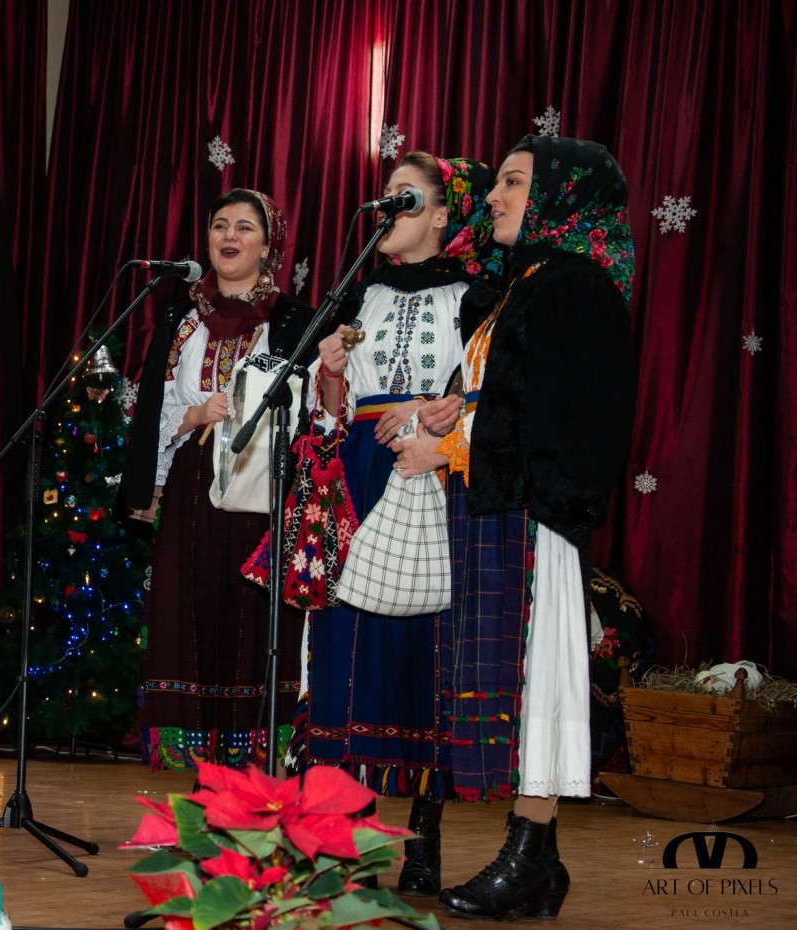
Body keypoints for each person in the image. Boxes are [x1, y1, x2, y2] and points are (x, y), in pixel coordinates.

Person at [394, 136, 636, 920]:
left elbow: (564, 421)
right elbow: (508, 396)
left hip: (537, 520)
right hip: (496, 510)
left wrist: (452, 449)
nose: (494, 197)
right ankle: (539, 860)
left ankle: (529, 853)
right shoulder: (522, 285)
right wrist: (453, 411)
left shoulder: (575, 287)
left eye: (514, 183)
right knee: (515, 685)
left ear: (562, 196)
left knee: (539, 682)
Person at [300, 153, 503, 897]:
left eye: (407, 196)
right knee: (346, 650)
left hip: (432, 471)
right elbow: (333, 410)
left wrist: (440, 416)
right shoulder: (362, 294)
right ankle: (337, 835)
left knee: (427, 650)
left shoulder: (476, 298)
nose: (390, 205)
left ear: (444, 214)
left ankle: (423, 834)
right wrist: (328, 372)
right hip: (360, 471)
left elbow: (494, 394)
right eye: (387, 194)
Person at [123, 188, 316, 772]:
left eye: (244, 227)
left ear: (269, 245)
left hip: (263, 485)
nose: (229, 236)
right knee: (190, 614)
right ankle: (200, 764)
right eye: (219, 225)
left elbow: (314, 412)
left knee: (251, 617)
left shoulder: (294, 321)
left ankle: (253, 762)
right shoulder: (181, 321)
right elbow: (154, 410)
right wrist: (193, 415)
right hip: (191, 485)